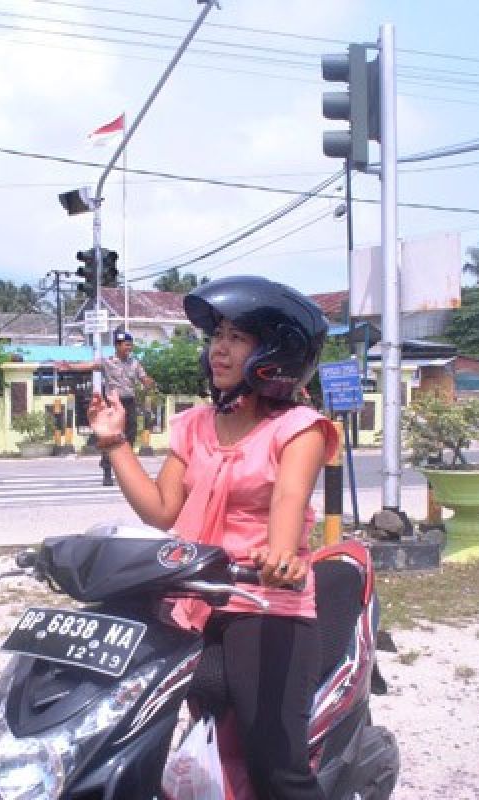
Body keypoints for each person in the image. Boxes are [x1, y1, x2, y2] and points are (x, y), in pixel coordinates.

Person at [88, 276, 337, 799]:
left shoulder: (299, 428)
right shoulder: (194, 425)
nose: (219, 348)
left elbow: (288, 501)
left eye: (238, 337)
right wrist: (114, 443)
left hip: (266, 602)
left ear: (277, 353)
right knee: (178, 746)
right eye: (216, 335)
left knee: (274, 763)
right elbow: (161, 511)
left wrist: (281, 554)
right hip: (194, 600)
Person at [58, 330, 155, 485]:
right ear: (117, 346)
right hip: (114, 404)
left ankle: (126, 471)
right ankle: (107, 470)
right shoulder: (107, 362)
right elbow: (89, 365)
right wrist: (70, 366)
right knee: (110, 437)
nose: (129, 348)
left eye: (130, 345)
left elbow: (144, 379)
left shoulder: (135, 363)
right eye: (126, 345)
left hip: (129, 403)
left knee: (129, 437)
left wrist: (149, 382)